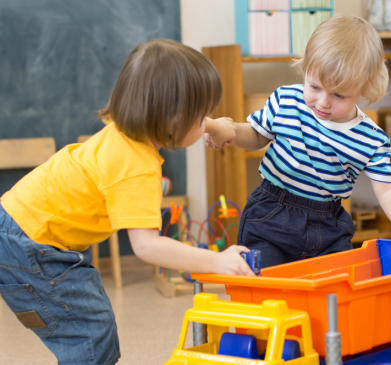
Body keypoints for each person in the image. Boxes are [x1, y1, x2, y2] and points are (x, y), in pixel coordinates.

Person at [0, 39, 254, 365]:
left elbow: (110, 177)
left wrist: (217, 127)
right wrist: (216, 261)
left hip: (21, 227)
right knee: (90, 331)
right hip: (31, 247)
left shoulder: (122, 131)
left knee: (91, 320)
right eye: (202, 115)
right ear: (171, 120)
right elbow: (147, 247)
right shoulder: (137, 168)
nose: (207, 120)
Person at [204, 14, 391, 269]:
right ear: (305, 71)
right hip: (272, 216)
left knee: (333, 296)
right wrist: (232, 132)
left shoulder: (371, 138)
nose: (323, 102)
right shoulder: (287, 101)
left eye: (338, 94)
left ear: (364, 88)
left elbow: (388, 189)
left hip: (328, 228)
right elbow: (258, 135)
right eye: (314, 87)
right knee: (265, 290)